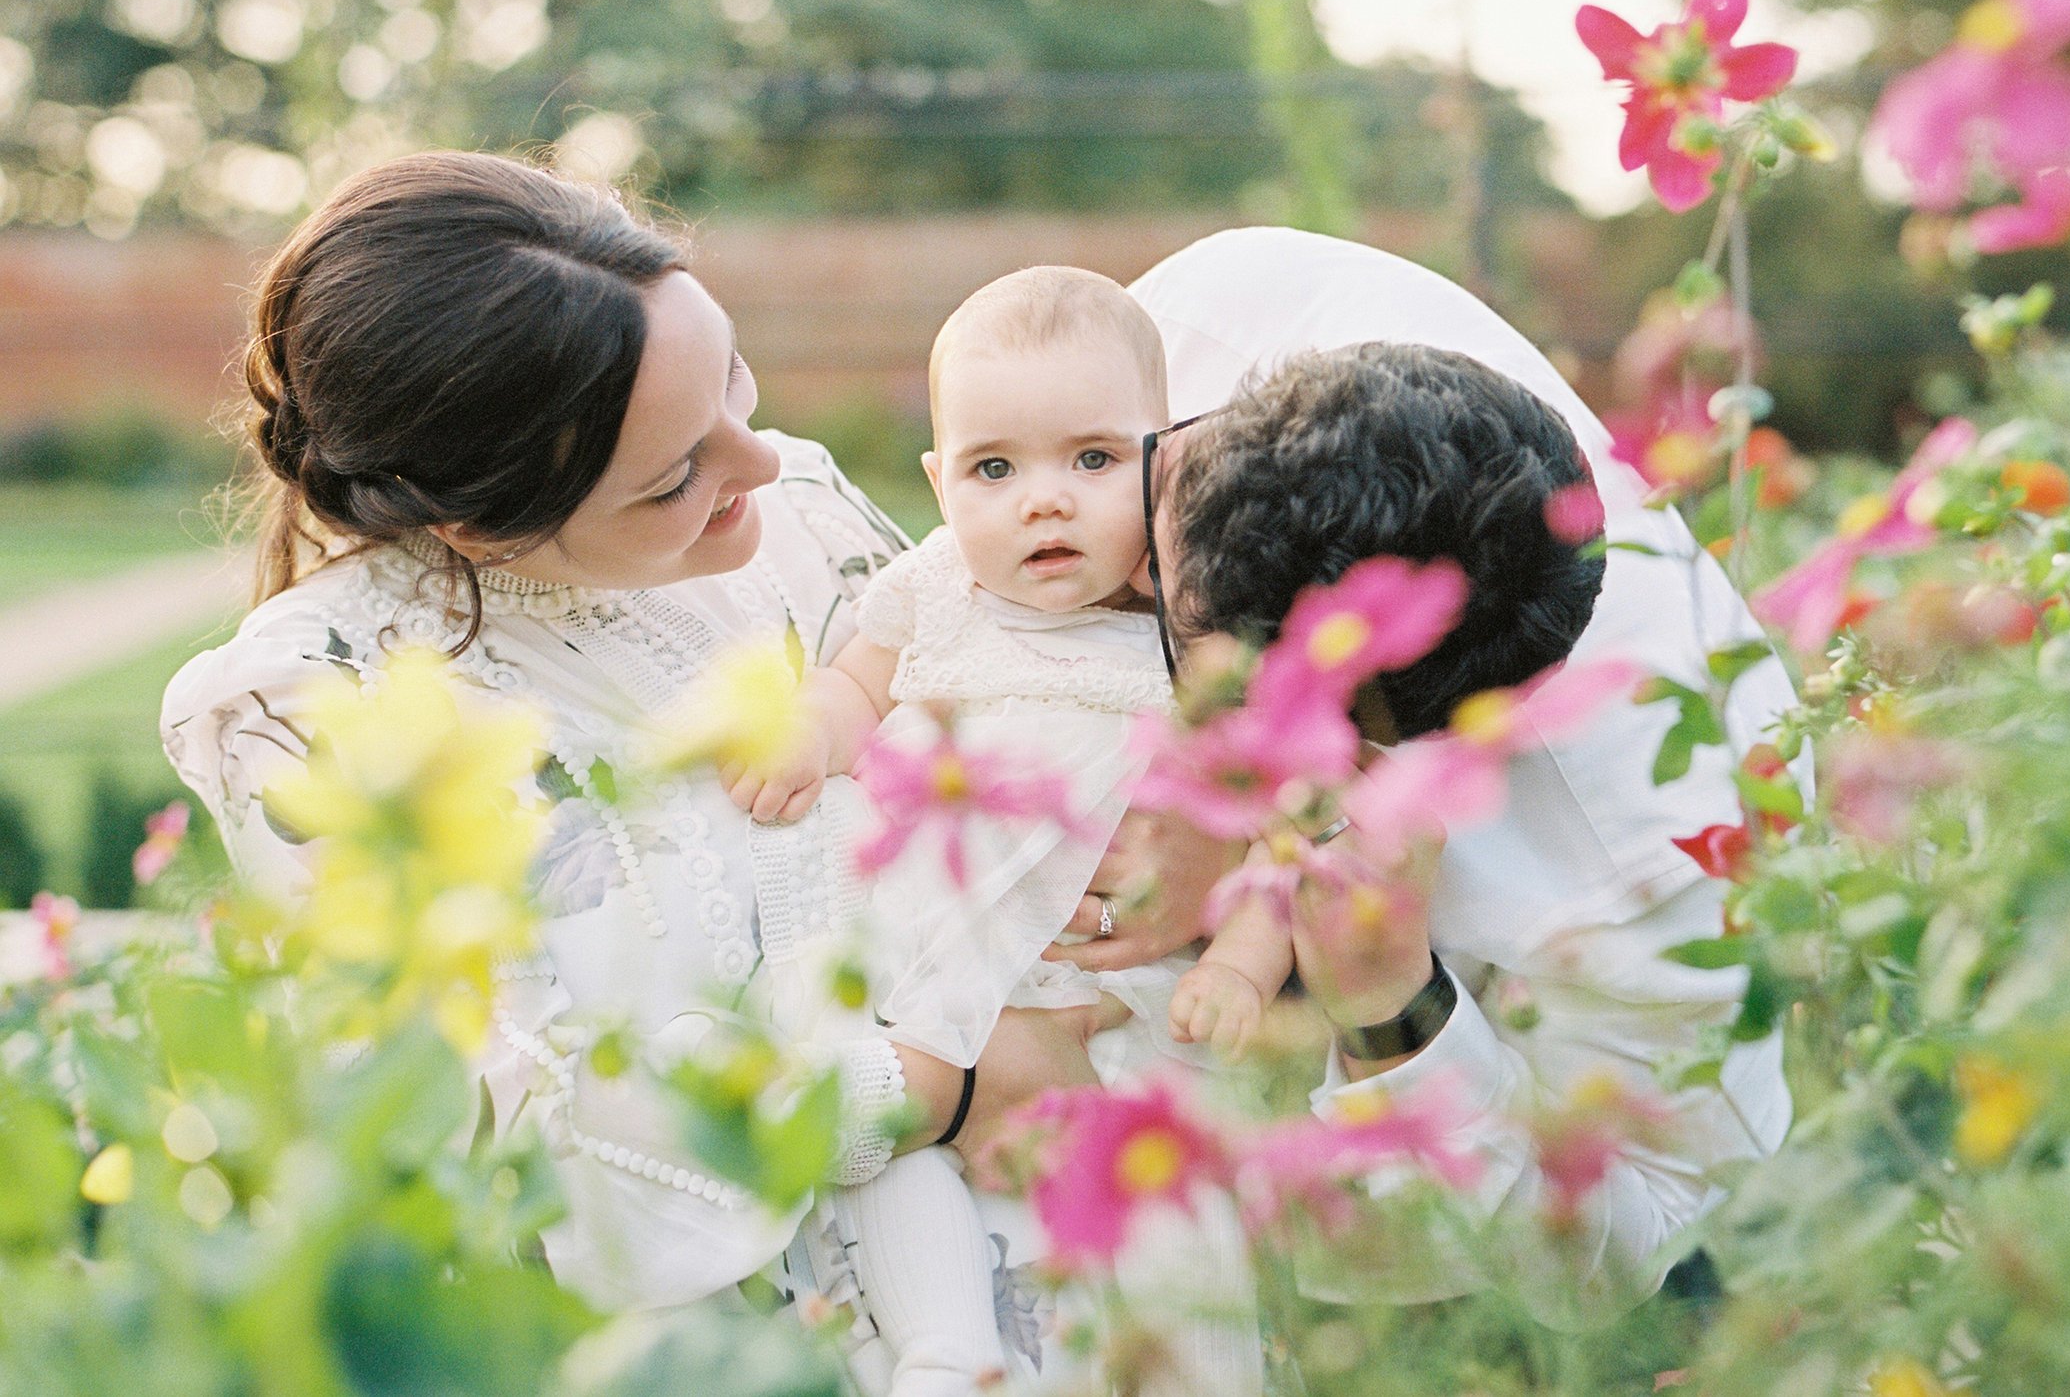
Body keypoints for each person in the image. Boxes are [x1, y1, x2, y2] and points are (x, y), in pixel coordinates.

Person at [157, 154, 1110, 1389]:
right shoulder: (317, 708)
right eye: (673, 478)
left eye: (734, 383)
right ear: (475, 522)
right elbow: (538, 1140)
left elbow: (1019, 718)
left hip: (1064, 1282)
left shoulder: (802, 515)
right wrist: (953, 1086)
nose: (760, 463)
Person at [1054, 225, 1805, 1319]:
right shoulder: (1223, 307)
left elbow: (1647, 1236)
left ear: (1367, 743)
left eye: (1159, 622)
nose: (1108, 572)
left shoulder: (1660, 871)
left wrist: (1388, 1005)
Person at [720, 265, 1280, 1395]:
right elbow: (854, 690)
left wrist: (1243, 962)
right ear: (939, 483)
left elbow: (1273, 821)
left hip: (1108, 1011)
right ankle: (946, 1352)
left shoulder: (1193, 626)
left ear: (1164, 462)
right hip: (928, 971)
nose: (1044, 500)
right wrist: (808, 735)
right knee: (888, 1152)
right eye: (993, 468)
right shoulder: (931, 589)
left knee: (1177, 1236)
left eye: (1092, 459)